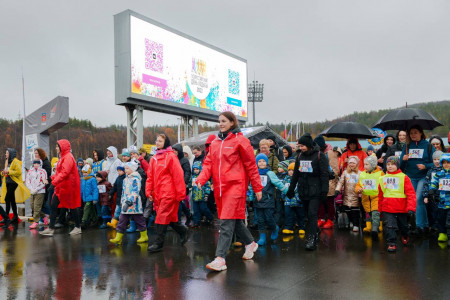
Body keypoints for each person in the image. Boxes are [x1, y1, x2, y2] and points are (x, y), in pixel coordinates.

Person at [196, 112, 262, 271]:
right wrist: (201, 179)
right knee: (233, 219)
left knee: (226, 221)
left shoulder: (241, 141)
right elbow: (208, 164)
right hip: (220, 189)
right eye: (219, 121)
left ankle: (220, 258)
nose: (220, 123)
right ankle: (250, 243)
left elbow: (251, 166)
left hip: (236, 187)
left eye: (224, 121)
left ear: (232, 122)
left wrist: (257, 187)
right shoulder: (215, 143)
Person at [286, 133, 329, 251]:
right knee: (307, 215)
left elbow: (324, 175)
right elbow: (296, 174)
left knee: (312, 214)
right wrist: (291, 189)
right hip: (303, 190)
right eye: (300, 146)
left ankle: (311, 239)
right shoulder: (299, 156)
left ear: (309, 145)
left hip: (316, 190)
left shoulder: (320, 155)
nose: (301, 148)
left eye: (303, 145)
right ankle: (315, 230)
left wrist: (325, 191)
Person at [145, 134, 188, 253]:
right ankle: (183, 231)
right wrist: (148, 191)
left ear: (166, 142)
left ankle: (158, 243)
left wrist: (180, 194)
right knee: (169, 218)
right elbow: (150, 176)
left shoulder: (171, 157)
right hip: (158, 193)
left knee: (161, 217)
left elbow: (178, 175)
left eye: (160, 141)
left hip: (169, 192)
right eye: (156, 140)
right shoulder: (154, 158)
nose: (157, 142)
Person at [40, 140, 82, 236]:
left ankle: (78, 227)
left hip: (69, 187)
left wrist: (53, 183)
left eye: (57, 146)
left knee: (73, 206)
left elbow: (65, 173)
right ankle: (51, 228)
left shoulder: (68, 158)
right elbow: (59, 173)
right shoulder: (63, 157)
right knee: (54, 205)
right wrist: (51, 179)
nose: (56, 148)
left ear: (62, 147)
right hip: (62, 187)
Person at [400, 125, 435, 235]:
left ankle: (420, 226)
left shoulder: (428, 146)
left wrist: (425, 166)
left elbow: (435, 163)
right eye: (411, 133)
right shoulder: (407, 146)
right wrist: (403, 159)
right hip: (410, 176)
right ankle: (423, 225)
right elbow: (400, 165)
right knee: (413, 200)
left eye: (415, 132)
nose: (413, 135)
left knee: (419, 198)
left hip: (423, 176)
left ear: (421, 133)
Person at [378, 156, 416, 252]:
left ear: (398, 165)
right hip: (388, 207)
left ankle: (405, 235)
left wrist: (411, 207)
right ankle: (391, 243)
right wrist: (379, 208)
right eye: (388, 164)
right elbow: (380, 195)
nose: (390, 166)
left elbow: (411, 193)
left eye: (393, 164)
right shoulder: (382, 178)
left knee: (403, 226)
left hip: (401, 207)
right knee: (389, 225)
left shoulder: (404, 177)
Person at [110, 161, 148, 245]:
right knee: (122, 220)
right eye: (125, 168)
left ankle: (144, 235)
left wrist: (129, 202)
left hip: (134, 205)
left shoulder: (136, 179)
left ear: (133, 169)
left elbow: (135, 192)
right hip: (125, 205)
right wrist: (123, 202)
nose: (125, 170)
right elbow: (123, 192)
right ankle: (118, 237)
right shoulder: (125, 179)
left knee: (139, 220)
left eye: (127, 168)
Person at [253, 153, 287, 246]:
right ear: (256, 163)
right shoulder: (254, 174)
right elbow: (250, 186)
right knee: (260, 220)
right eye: (259, 161)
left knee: (268, 218)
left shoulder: (270, 173)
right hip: (258, 200)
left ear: (267, 162)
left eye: (263, 161)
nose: (261, 163)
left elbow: (278, 183)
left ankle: (274, 228)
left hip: (268, 200)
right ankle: (262, 237)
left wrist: (287, 191)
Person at [355, 156, 384, 239]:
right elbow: (358, 185)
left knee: (375, 213)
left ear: (373, 165)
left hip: (376, 197)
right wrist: (358, 190)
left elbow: (384, 183)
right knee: (369, 214)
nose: (365, 166)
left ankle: (375, 229)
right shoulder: (362, 174)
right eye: (364, 164)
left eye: (367, 164)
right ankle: (370, 227)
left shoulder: (380, 173)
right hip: (366, 198)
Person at [1, 148, 30, 225]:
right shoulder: (7, 162)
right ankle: (15, 217)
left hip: (14, 183)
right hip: (8, 182)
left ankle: (6, 217)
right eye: (6, 153)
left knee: (7, 198)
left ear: (11, 154)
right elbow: (5, 172)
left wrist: (8, 171)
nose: (5, 154)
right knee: (12, 200)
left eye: (7, 153)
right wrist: (3, 172)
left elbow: (18, 172)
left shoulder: (15, 161)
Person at [315, 134, 338, 229]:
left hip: (329, 181)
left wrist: (331, 181)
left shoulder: (330, 153)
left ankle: (331, 219)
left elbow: (335, 170)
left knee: (329, 201)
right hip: (319, 181)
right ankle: (321, 218)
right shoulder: (317, 153)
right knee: (320, 201)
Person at [427, 153, 450, 245]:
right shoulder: (438, 174)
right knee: (441, 218)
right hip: (442, 202)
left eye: (448, 162)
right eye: (444, 163)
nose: (446, 164)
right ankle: (442, 233)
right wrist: (431, 190)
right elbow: (433, 182)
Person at [336, 156, 361, 232]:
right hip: (347, 195)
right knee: (348, 211)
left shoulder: (360, 173)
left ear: (356, 164)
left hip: (356, 196)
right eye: (350, 163)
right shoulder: (345, 172)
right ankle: (351, 222)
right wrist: (337, 190)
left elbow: (362, 184)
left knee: (355, 211)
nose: (351, 164)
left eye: (353, 163)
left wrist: (361, 194)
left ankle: (356, 224)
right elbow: (341, 182)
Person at [282, 162, 306, 236]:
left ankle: (302, 227)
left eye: (293, 170)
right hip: (288, 201)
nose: (291, 172)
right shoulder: (285, 179)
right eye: (289, 170)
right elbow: (282, 189)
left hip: (298, 201)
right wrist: (283, 197)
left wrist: (301, 198)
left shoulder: (300, 179)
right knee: (288, 214)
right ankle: (288, 228)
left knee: (301, 215)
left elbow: (302, 190)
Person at [422, 150, 444, 233]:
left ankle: (442, 228)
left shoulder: (445, 171)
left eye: (439, 159)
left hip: (443, 196)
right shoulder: (430, 171)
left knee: (442, 213)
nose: (437, 161)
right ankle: (434, 227)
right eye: (435, 159)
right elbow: (426, 184)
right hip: (432, 196)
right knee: (433, 212)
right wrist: (425, 195)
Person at [173, 143, 192, 226]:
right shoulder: (173, 159)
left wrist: (184, 182)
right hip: (174, 184)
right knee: (179, 202)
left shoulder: (184, 160)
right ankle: (188, 215)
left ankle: (178, 221)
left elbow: (187, 172)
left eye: (175, 150)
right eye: (173, 150)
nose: (174, 152)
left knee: (179, 201)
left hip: (182, 184)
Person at [26, 160, 48, 229]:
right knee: (32, 206)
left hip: (40, 192)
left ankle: (36, 221)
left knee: (37, 206)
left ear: (40, 164)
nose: (36, 165)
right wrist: (31, 189)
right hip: (32, 191)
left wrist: (37, 189)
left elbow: (44, 182)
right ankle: (44, 216)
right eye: (34, 163)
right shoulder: (30, 171)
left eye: (37, 163)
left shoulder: (43, 171)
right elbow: (27, 181)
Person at [190, 161, 214, 227]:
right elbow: (190, 185)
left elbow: (208, 186)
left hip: (202, 197)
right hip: (195, 197)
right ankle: (196, 222)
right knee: (196, 210)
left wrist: (206, 194)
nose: (196, 171)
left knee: (203, 209)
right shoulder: (192, 177)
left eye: (197, 169)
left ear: (200, 169)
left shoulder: (203, 177)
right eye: (194, 169)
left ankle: (210, 217)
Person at [34, 148, 51, 225]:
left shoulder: (46, 162)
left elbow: (47, 174)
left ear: (40, 154)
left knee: (44, 202)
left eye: (36, 153)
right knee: (39, 203)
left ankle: (50, 216)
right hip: (38, 186)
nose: (35, 155)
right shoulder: (36, 163)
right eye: (34, 153)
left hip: (45, 185)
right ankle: (42, 218)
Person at [80, 164, 99, 229]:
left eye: (86, 172)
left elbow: (95, 189)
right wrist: (81, 196)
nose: (84, 174)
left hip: (90, 197)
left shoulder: (92, 179)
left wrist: (95, 198)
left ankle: (83, 221)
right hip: (85, 197)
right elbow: (82, 189)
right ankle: (95, 220)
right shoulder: (83, 179)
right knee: (91, 210)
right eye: (83, 172)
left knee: (86, 208)